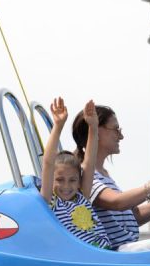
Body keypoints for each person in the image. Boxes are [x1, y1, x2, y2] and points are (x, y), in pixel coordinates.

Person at [72, 105, 150, 252]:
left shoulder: (103, 174)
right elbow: (118, 202)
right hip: (112, 256)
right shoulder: (84, 174)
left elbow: (133, 217)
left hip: (125, 250)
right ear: (97, 130)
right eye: (116, 129)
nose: (121, 136)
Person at [40, 97, 112, 250]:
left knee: (149, 245)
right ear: (50, 180)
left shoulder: (81, 196)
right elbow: (47, 162)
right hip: (80, 257)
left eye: (72, 180)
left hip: (104, 254)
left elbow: (89, 162)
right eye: (59, 179)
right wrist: (58, 125)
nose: (66, 185)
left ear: (79, 182)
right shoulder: (49, 201)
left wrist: (93, 127)